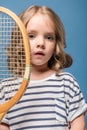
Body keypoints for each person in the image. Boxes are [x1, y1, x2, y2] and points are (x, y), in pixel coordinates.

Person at [0, 5, 87, 130]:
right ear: (19, 40)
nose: (41, 43)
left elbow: (79, 125)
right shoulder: (6, 89)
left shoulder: (67, 83)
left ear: (56, 44)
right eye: (31, 36)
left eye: (49, 37)